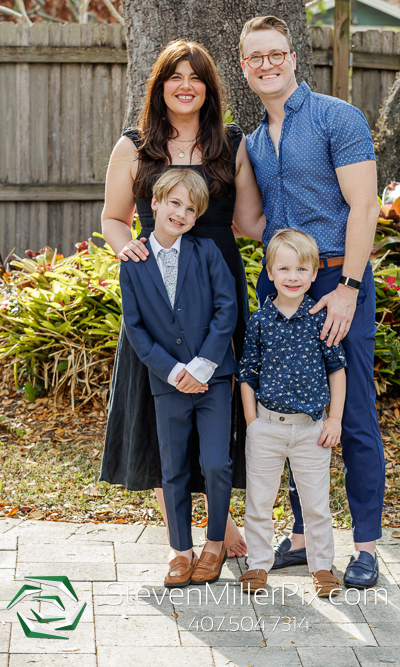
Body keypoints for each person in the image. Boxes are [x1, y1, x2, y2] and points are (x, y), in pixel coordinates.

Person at [100, 38, 265, 560]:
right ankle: (179, 542)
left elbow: (248, 223)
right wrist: (128, 249)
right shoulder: (133, 147)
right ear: (161, 86)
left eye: (196, 77)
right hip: (156, 289)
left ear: (209, 87)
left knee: (217, 399)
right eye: (176, 77)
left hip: (217, 289)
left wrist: (317, 242)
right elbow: (112, 218)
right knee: (160, 402)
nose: (186, 86)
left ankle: (222, 524)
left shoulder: (231, 144)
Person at [241, 15, 384, 589]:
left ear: (294, 57)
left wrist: (347, 288)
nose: (267, 64)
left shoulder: (336, 117)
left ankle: (367, 547)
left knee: (350, 414)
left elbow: (365, 206)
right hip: (282, 285)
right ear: (245, 67)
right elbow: (250, 220)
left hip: (335, 282)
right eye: (256, 57)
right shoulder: (251, 141)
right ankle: (301, 539)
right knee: (293, 408)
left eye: (276, 54)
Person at [120, 167, 237, 586]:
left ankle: (214, 545)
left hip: (213, 379)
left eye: (191, 209)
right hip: (167, 383)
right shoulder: (134, 263)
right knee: (173, 469)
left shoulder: (207, 253)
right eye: (175, 203)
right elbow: (135, 328)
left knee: (216, 463)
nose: (182, 213)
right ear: (154, 203)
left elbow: (227, 310)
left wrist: (203, 364)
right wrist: (173, 371)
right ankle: (181, 550)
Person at [237, 229, 346, 597]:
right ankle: (257, 566)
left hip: (311, 430)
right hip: (267, 426)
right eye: (284, 269)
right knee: (260, 501)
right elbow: (247, 374)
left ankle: (322, 568)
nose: (293, 277)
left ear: (314, 273)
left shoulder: (320, 318)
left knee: (316, 504)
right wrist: (253, 424)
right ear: (270, 272)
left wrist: (334, 419)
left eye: (302, 269)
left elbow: (337, 370)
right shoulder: (259, 321)